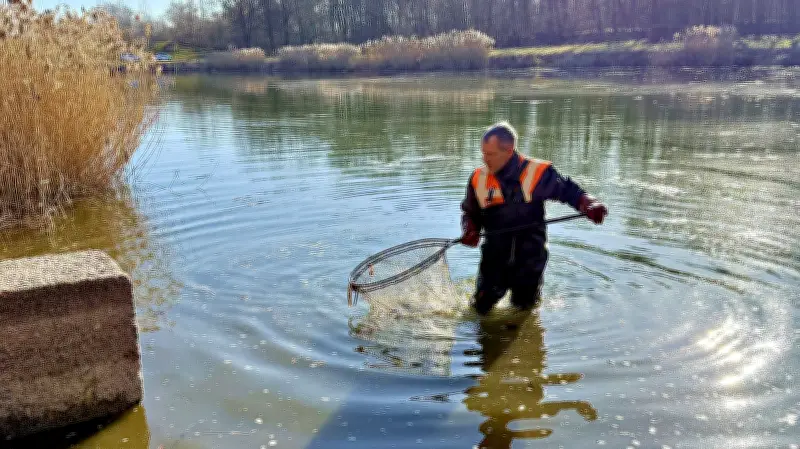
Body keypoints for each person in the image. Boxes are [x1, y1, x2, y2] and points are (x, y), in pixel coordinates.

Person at [460, 121, 608, 315]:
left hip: (530, 260)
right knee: (479, 310)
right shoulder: (478, 178)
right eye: (483, 153)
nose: (485, 159)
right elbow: (470, 212)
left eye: (491, 154)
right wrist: (470, 230)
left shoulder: (537, 173)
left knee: (524, 313)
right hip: (494, 260)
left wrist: (589, 203)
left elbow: (569, 192)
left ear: (509, 150)